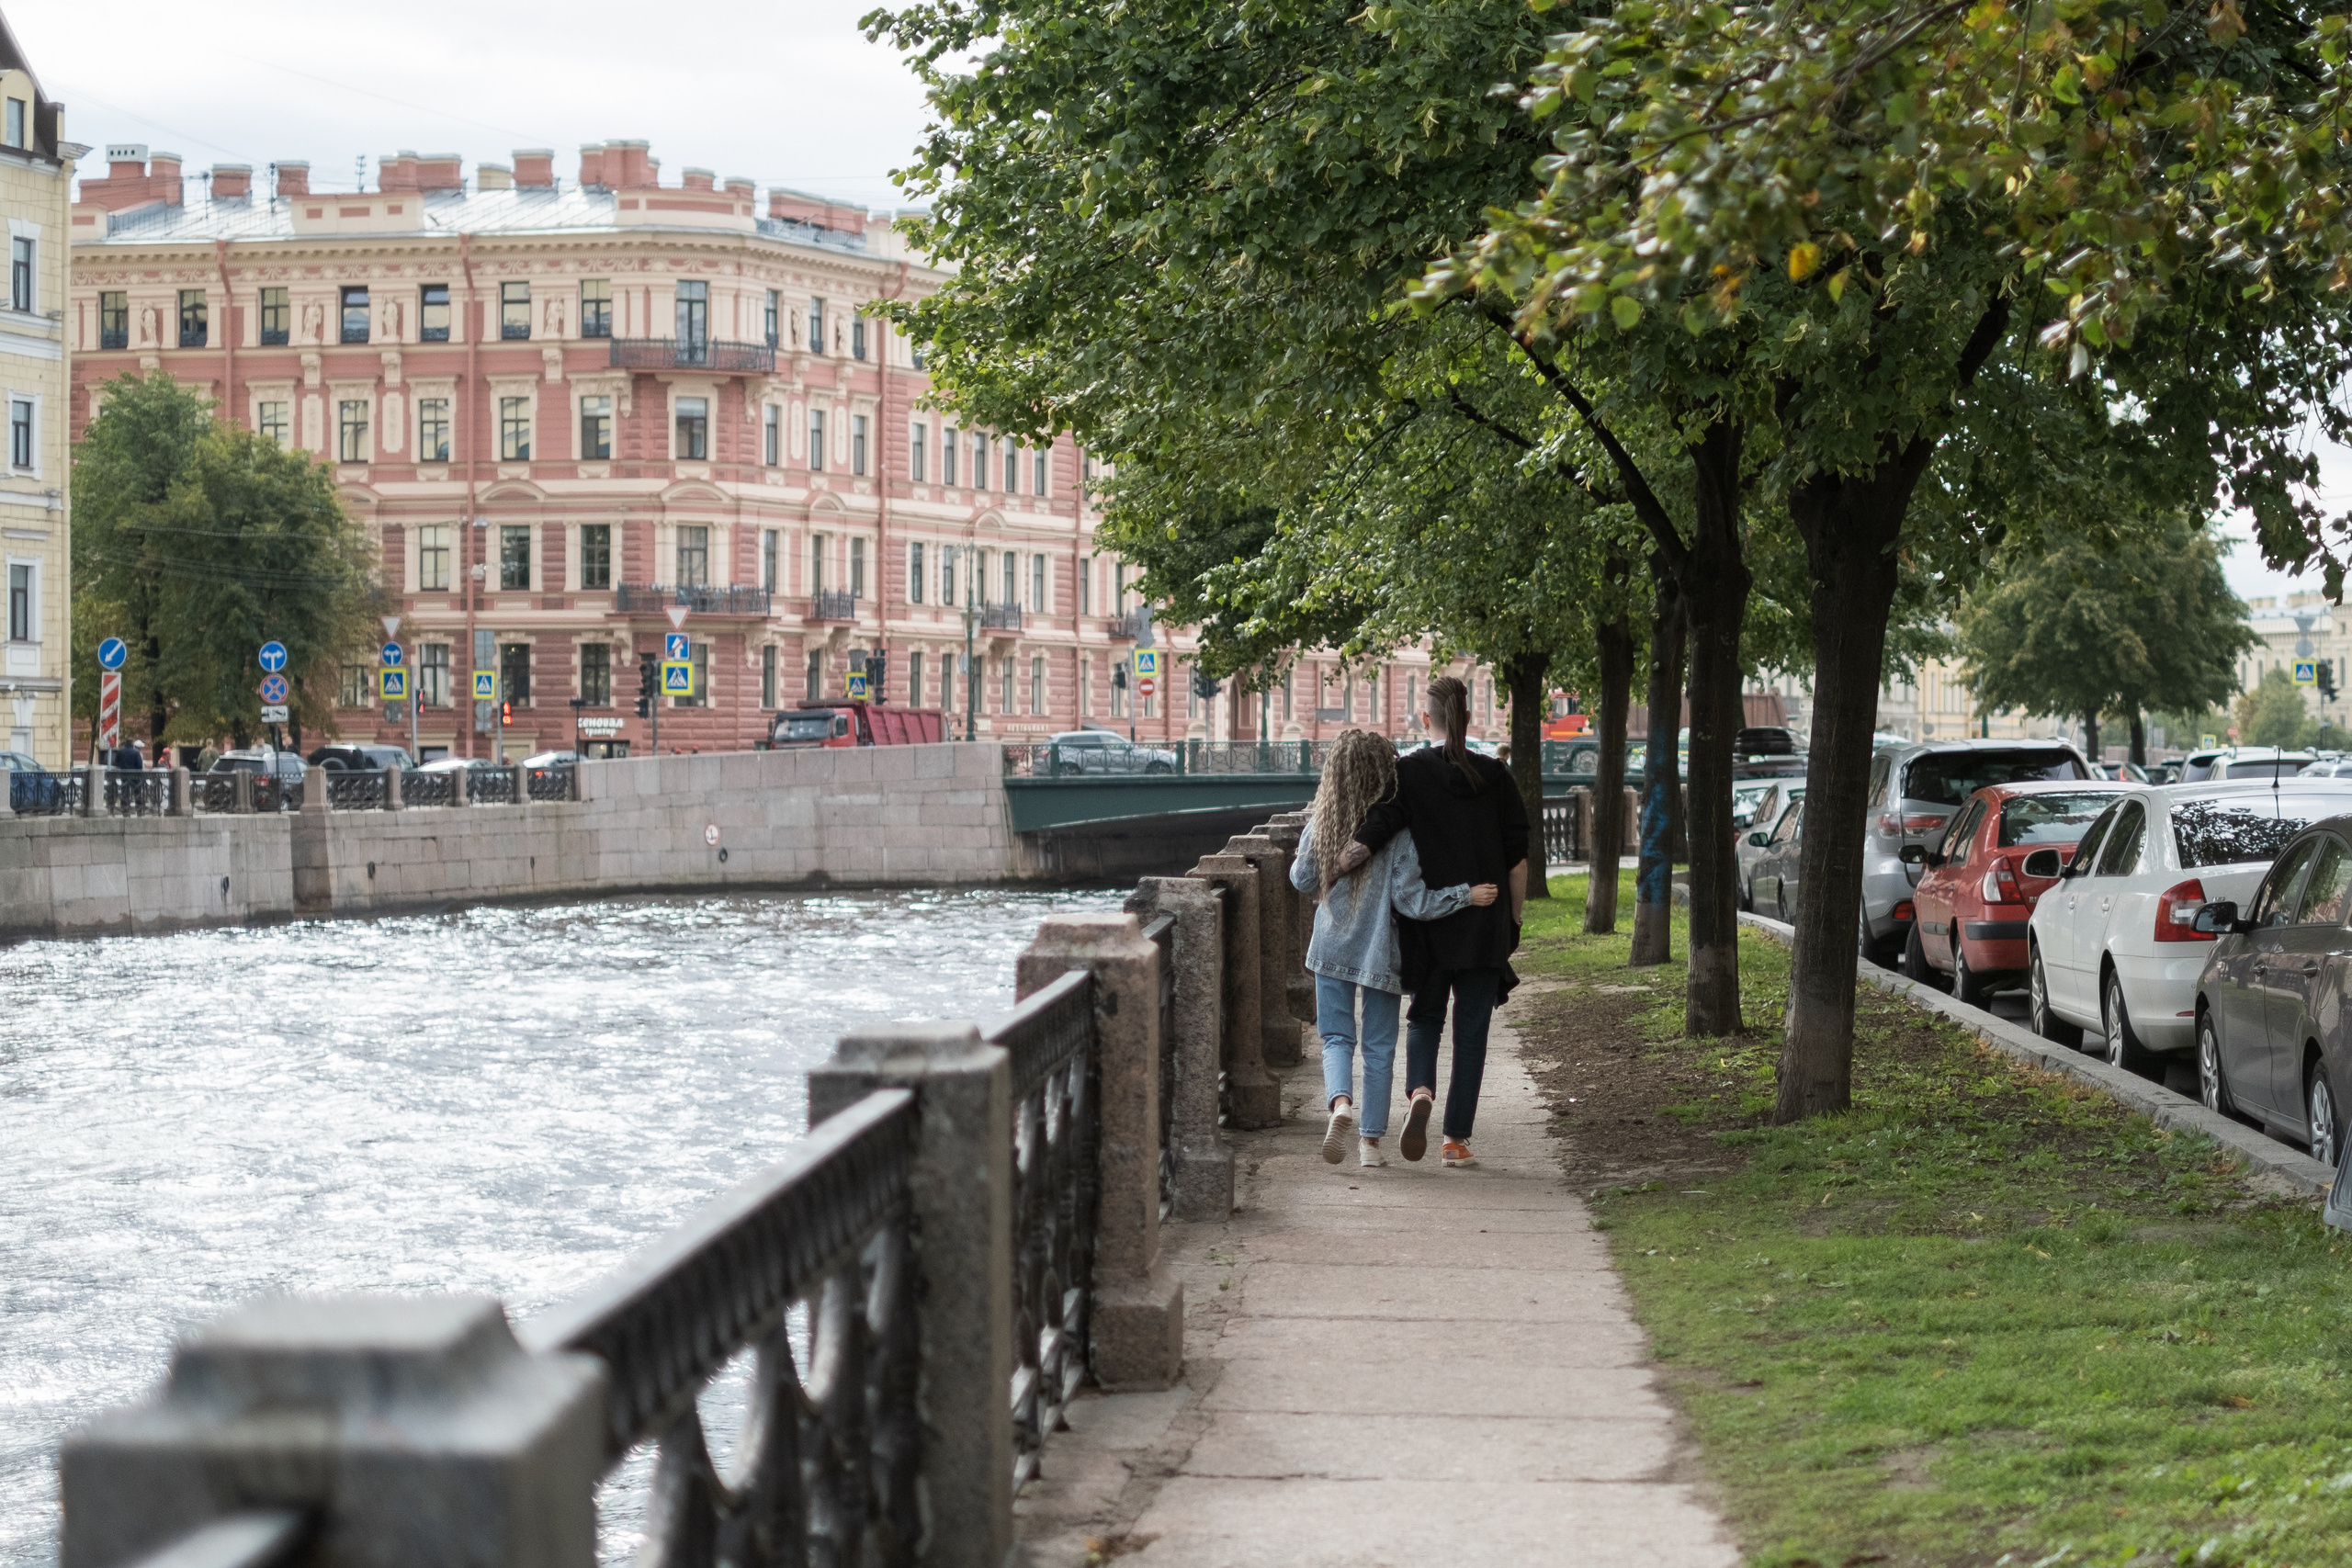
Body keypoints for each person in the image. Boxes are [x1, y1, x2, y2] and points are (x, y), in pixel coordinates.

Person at [1341, 675, 1528, 1168]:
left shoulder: (1409, 773)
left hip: (1429, 923)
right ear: (1468, 718)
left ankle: (1420, 1090)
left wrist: (1335, 863)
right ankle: (1455, 1141)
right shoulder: (1497, 776)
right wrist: (1513, 922)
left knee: (1425, 1017)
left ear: (1428, 720)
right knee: (1472, 1032)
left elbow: (1376, 831)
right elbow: (1517, 862)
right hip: (1484, 922)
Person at [1289, 728, 1498, 1167]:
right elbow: (1412, 901)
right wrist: (1465, 894)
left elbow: (1302, 880)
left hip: (1330, 946)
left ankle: (1340, 1104)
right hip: (1380, 952)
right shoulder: (1398, 832)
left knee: (1335, 1038)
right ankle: (1369, 1145)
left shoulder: (1321, 823)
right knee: (1380, 1046)